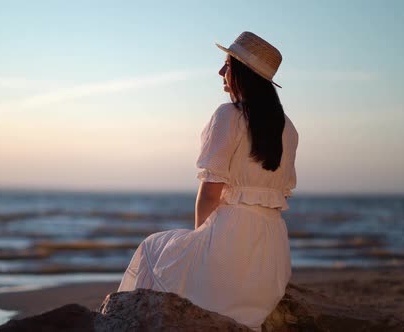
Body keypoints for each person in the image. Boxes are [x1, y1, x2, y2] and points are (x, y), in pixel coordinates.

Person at [117, 31, 298, 332]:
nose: (221, 72)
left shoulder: (229, 115)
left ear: (243, 73)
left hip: (229, 249)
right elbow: (282, 194)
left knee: (152, 248)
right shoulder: (288, 128)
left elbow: (210, 193)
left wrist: (200, 239)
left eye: (227, 64)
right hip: (273, 258)